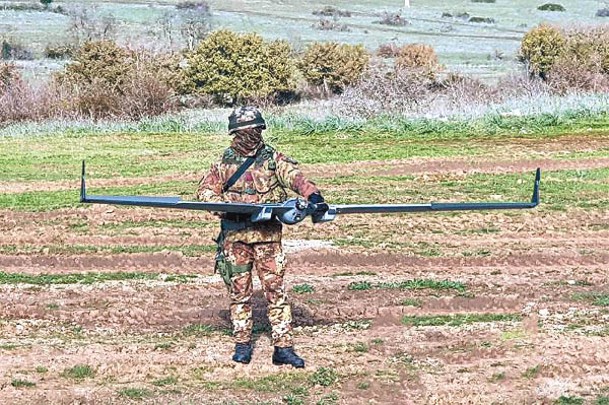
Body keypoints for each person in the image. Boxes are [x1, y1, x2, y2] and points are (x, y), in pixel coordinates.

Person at [196, 106, 327, 368]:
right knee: (239, 293)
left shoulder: (273, 159)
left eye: (256, 130)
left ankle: (283, 348)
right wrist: (223, 206)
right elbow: (205, 193)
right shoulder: (223, 164)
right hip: (235, 240)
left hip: (268, 240)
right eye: (246, 132)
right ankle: (243, 345)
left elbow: (295, 178)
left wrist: (312, 195)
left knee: (276, 293)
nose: (252, 135)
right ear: (235, 133)